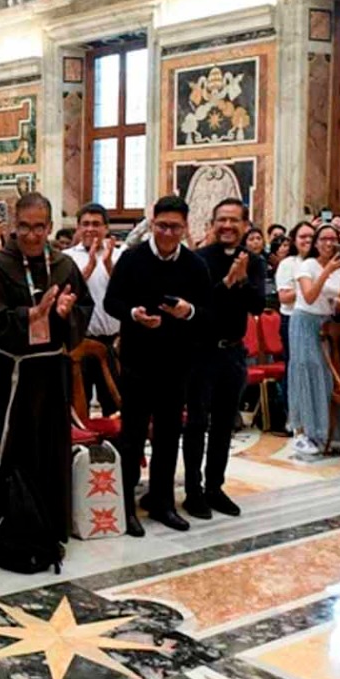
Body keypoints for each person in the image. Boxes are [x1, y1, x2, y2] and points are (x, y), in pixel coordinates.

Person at [0, 193, 92, 567]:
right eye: (24, 226)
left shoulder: (64, 265)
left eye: (40, 227)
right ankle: (3, 520)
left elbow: (83, 310)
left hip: (49, 372)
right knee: (9, 449)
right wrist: (31, 315)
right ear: (13, 226)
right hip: (10, 373)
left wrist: (64, 315)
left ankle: (50, 524)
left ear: (50, 227)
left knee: (48, 449)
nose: (32, 234)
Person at [104, 195, 208, 534]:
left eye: (174, 227)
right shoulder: (132, 259)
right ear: (152, 224)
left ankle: (162, 501)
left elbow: (206, 313)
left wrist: (188, 311)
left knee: (167, 435)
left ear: (184, 228)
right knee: (132, 436)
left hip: (177, 362)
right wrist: (133, 314)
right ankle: (126, 507)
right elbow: (112, 301)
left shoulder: (194, 265)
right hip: (137, 361)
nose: (167, 232)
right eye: (161, 225)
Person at [183, 198, 264, 518]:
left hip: (233, 352)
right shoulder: (199, 259)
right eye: (221, 220)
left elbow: (258, 305)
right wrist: (228, 282)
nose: (227, 226)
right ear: (213, 223)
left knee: (222, 426)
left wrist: (242, 280)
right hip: (201, 352)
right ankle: (193, 491)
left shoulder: (254, 262)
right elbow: (197, 308)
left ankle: (214, 487)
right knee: (196, 423)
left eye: (234, 221)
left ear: (245, 226)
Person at [289, 224, 340, 458]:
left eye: (333, 239)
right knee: (305, 372)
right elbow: (310, 296)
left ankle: (325, 431)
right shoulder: (307, 266)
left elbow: (336, 301)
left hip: (326, 325)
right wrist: (326, 271)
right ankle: (303, 432)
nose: (328, 243)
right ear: (316, 243)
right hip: (305, 322)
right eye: (323, 239)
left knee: (325, 377)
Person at [65, 203, 123, 412]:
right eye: (85, 224)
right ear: (78, 228)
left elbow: (126, 290)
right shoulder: (67, 258)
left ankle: (114, 444)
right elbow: (67, 291)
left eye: (96, 224)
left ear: (106, 228)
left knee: (115, 404)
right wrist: (89, 267)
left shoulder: (119, 255)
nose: (90, 229)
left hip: (111, 343)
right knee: (78, 404)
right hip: (78, 342)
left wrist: (108, 265)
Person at [274, 222, 316, 359]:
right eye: (303, 237)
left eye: (311, 236)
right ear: (295, 241)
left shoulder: (323, 262)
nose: (308, 240)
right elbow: (284, 298)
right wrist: (309, 287)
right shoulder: (288, 264)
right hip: (293, 319)